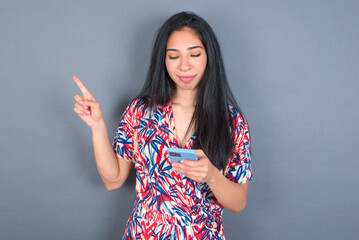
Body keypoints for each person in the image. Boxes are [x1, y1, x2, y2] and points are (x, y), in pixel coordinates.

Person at [73, 11, 252, 240]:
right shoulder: (141, 111)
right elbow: (113, 180)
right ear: (163, 60)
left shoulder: (231, 122)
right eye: (173, 56)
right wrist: (97, 126)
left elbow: (238, 203)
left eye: (194, 54)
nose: (184, 66)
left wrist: (211, 176)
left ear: (209, 57)